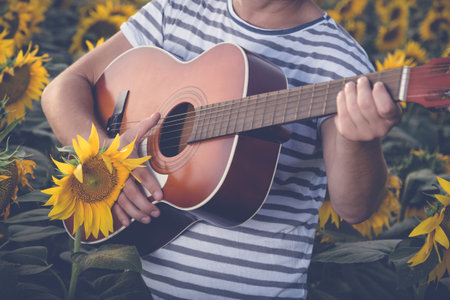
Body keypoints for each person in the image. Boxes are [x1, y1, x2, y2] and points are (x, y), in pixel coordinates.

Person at [41, 0, 402, 298]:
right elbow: (62, 89)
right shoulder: (175, 11)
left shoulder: (339, 62)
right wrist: (107, 157)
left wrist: (362, 139)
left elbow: (355, 208)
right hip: (131, 286)